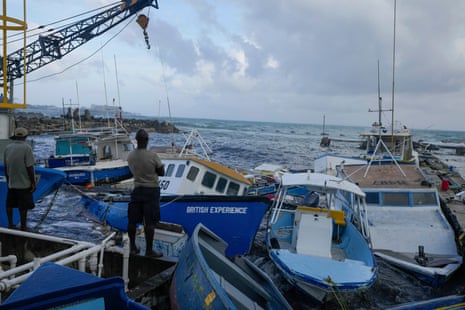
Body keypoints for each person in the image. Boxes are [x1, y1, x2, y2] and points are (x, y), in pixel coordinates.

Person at [127, 128, 165, 257]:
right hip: (152, 190)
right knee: (150, 222)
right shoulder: (152, 155)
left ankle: (133, 247)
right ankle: (149, 250)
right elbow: (162, 173)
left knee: (132, 221)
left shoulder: (131, 156)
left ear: (136, 140)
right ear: (147, 140)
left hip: (137, 189)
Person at [4, 127, 36, 231]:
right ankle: (23, 226)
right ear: (25, 137)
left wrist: (8, 179)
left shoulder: (7, 148)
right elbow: (30, 167)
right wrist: (33, 182)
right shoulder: (27, 148)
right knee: (23, 206)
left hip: (12, 182)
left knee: (9, 204)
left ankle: (10, 224)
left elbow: (6, 166)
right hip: (23, 182)